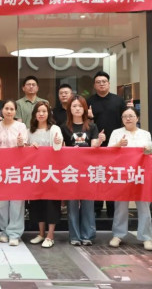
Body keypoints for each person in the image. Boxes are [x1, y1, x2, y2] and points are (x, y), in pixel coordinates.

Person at [60, 95, 106, 246]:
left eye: (80, 106)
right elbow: (61, 148)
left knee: (88, 203)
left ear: (85, 108)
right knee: (72, 204)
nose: (77, 109)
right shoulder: (64, 127)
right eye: (74, 106)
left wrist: (100, 141)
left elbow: (93, 146)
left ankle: (87, 235)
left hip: (88, 170)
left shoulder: (92, 126)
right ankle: (74, 236)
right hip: (71, 170)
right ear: (69, 109)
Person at [107, 107, 152, 251]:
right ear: (122, 119)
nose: (128, 118)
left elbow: (151, 152)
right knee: (121, 206)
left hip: (140, 174)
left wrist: (148, 150)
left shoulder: (145, 134)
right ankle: (118, 235)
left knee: (144, 205)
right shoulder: (116, 133)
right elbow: (108, 152)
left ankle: (146, 237)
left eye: (131, 116)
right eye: (125, 116)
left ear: (137, 118)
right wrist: (118, 145)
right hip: (122, 174)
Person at [0, 100, 28, 246]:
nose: (9, 111)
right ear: (2, 110)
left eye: (12, 109)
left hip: (17, 169)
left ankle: (15, 233)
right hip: (0, 170)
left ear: (15, 111)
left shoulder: (21, 126)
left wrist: (21, 144)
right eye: (6, 108)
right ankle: (4, 231)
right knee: (2, 202)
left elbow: (26, 148)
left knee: (17, 202)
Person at [87, 71, 127, 218]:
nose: (101, 84)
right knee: (97, 176)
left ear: (109, 84)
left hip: (115, 146)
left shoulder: (118, 101)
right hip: (96, 145)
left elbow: (126, 121)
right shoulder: (89, 101)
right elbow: (85, 124)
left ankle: (112, 210)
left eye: (104, 81)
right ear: (94, 85)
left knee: (112, 178)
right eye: (98, 82)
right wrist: (90, 117)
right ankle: (96, 209)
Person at [26, 101, 63, 249]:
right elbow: (24, 150)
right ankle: (41, 233)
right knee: (37, 204)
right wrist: (29, 147)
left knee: (51, 204)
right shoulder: (30, 131)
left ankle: (50, 235)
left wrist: (57, 142)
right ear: (34, 114)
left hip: (51, 173)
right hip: (35, 173)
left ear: (49, 114)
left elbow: (58, 148)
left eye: (44, 111)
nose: (41, 114)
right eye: (38, 111)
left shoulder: (54, 129)